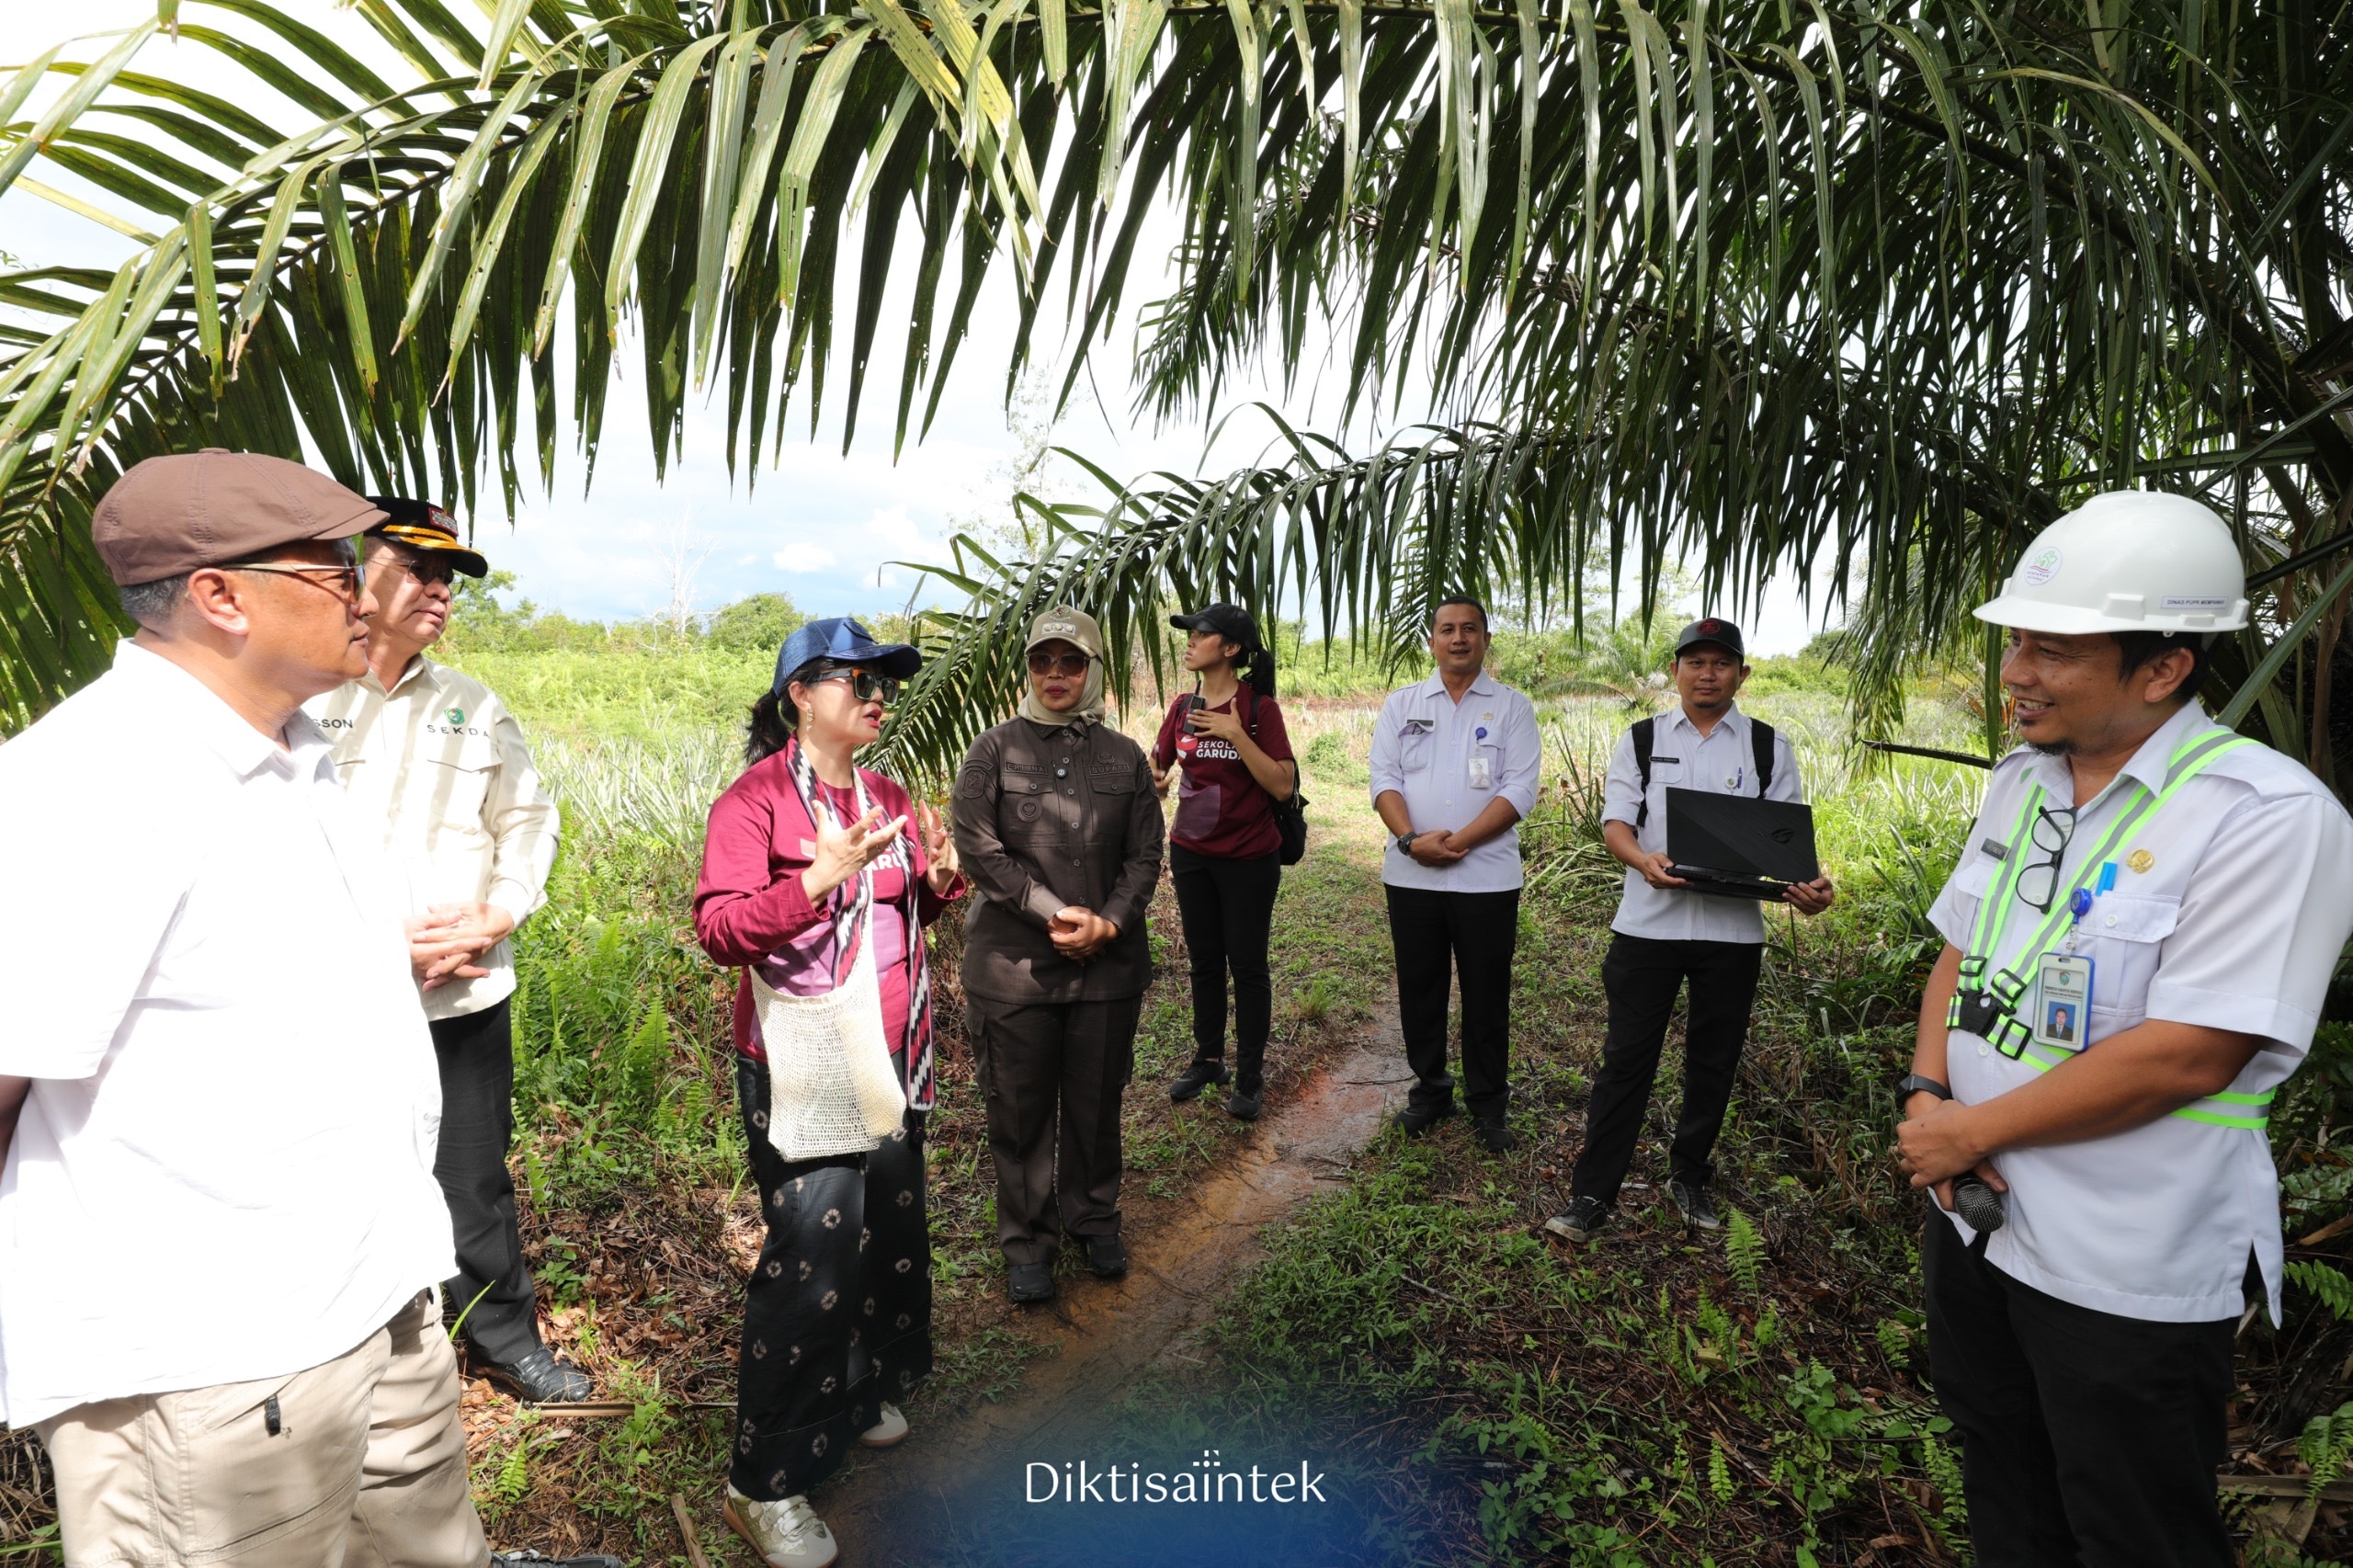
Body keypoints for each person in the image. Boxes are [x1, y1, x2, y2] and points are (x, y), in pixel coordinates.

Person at [0, 451, 510, 1565]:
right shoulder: (88, 784)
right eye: (333, 564)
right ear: (219, 596)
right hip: (216, 1361)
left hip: (376, 1291)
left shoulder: (295, 752)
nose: (362, 587)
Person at [1893, 491, 2353, 1568]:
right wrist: (1926, 1097)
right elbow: (1960, 949)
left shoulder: (2264, 817)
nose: (2015, 672)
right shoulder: (2023, 783)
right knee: (2005, 1481)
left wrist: (1968, 1129)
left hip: (2120, 1265)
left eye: (2053, 649)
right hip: (1976, 1224)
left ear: (2162, 669)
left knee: (2135, 1527)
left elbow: (2193, 1051)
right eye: (2015, 643)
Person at [693, 617, 962, 1568]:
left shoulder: (884, 790)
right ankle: (761, 1482)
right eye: (856, 678)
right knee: (812, 1254)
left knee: (882, 1230)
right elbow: (721, 928)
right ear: (800, 692)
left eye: (883, 680)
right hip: (803, 1054)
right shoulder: (756, 801)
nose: (876, 693)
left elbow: (904, 904)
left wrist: (936, 881)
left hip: (887, 1049)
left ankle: (853, 1390)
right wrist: (815, 877)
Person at [307, 498, 585, 1404]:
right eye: (419, 569)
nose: (438, 592)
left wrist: (497, 915)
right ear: (360, 570)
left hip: (460, 998)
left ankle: (505, 1336)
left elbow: (528, 819)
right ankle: (356, 1355)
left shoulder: (472, 703)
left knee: (472, 1178)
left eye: (449, 578)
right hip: (335, 1001)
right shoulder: (303, 700)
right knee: (334, 1171)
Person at [1546, 618, 1836, 1241]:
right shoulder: (1644, 739)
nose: (1707, 674)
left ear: (1742, 675)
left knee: (1714, 1062)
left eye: (1721, 663)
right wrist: (1640, 859)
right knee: (1627, 1061)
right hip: (1648, 928)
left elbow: (1784, 842)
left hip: (1732, 936)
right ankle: (1593, 1193)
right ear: (1676, 671)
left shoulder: (1765, 747)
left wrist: (1812, 884)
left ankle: (1690, 1177)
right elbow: (1617, 823)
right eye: (1695, 662)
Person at [952, 606, 1165, 1303]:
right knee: (1018, 1113)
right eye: (1043, 661)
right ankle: (1029, 1241)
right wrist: (1053, 913)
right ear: (1028, 670)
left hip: (1107, 969)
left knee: (1098, 1102)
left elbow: (1144, 852)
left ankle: (1093, 1216)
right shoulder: (992, 752)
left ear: (1091, 670)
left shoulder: (1124, 756)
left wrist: (1109, 922)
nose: (1055, 674)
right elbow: (979, 850)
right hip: (1013, 973)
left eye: (1070, 662)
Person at [1368, 595, 1541, 1153]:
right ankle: (1432, 1090)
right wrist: (1411, 840)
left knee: (1486, 992)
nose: (1459, 638)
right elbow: (1383, 780)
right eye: (1447, 629)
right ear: (1432, 640)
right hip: (1411, 876)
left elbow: (1519, 788)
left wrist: (1459, 842)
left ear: (1486, 640)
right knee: (1420, 987)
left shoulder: (1512, 707)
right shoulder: (1403, 704)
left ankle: (1488, 1102)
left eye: (1470, 629)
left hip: (1486, 878)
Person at [1150, 603, 1298, 1120]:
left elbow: (1282, 783)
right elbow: (1160, 762)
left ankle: (1251, 1074)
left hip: (1249, 857)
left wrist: (1236, 734)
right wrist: (1157, 778)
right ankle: (1208, 1059)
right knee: (1205, 961)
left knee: (1248, 965)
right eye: (1189, 633)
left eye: (1200, 633)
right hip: (1191, 853)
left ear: (1230, 648)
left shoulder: (1260, 709)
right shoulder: (1181, 705)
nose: (1189, 641)